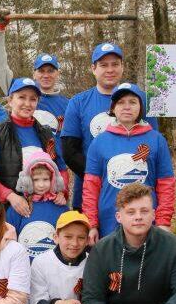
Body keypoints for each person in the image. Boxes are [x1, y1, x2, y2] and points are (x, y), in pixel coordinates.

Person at [62, 42, 158, 205]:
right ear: (93, 68)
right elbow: (70, 152)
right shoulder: (78, 102)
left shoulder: (142, 100)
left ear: (122, 67)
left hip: (136, 189)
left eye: (115, 64)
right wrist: (102, 176)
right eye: (103, 65)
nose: (110, 69)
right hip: (91, 189)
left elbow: (152, 146)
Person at [82, 83, 175, 238]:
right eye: (121, 102)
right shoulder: (99, 142)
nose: (127, 107)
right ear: (112, 108)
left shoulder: (157, 140)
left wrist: (163, 221)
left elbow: (166, 184)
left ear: (140, 107)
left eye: (132, 102)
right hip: (109, 221)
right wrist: (91, 224)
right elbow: (91, 186)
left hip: (145, 219)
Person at [0, 77, 67, 212]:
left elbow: (60, 168)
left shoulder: (46, 134)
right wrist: (10, 196)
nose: (27, 104)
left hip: (43, 208)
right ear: (10, 100)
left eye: (33, 99)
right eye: (22, 97)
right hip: (9, 211)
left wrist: (62, 192)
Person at [0, 20, 68, 137]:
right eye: (41, 71)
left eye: (51, 71)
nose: (46, 75)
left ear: (58, 74)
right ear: (34, 74)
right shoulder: (18, 90)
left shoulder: (68, 104)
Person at [6, 151, 69, 259]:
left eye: (45, 179)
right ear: (28, 181)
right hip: (24, 268)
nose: (41, 184)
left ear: (53, 179)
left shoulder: (60, 207)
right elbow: (7, 240)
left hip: (51, 269)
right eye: (35, 180)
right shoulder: (19, 207)